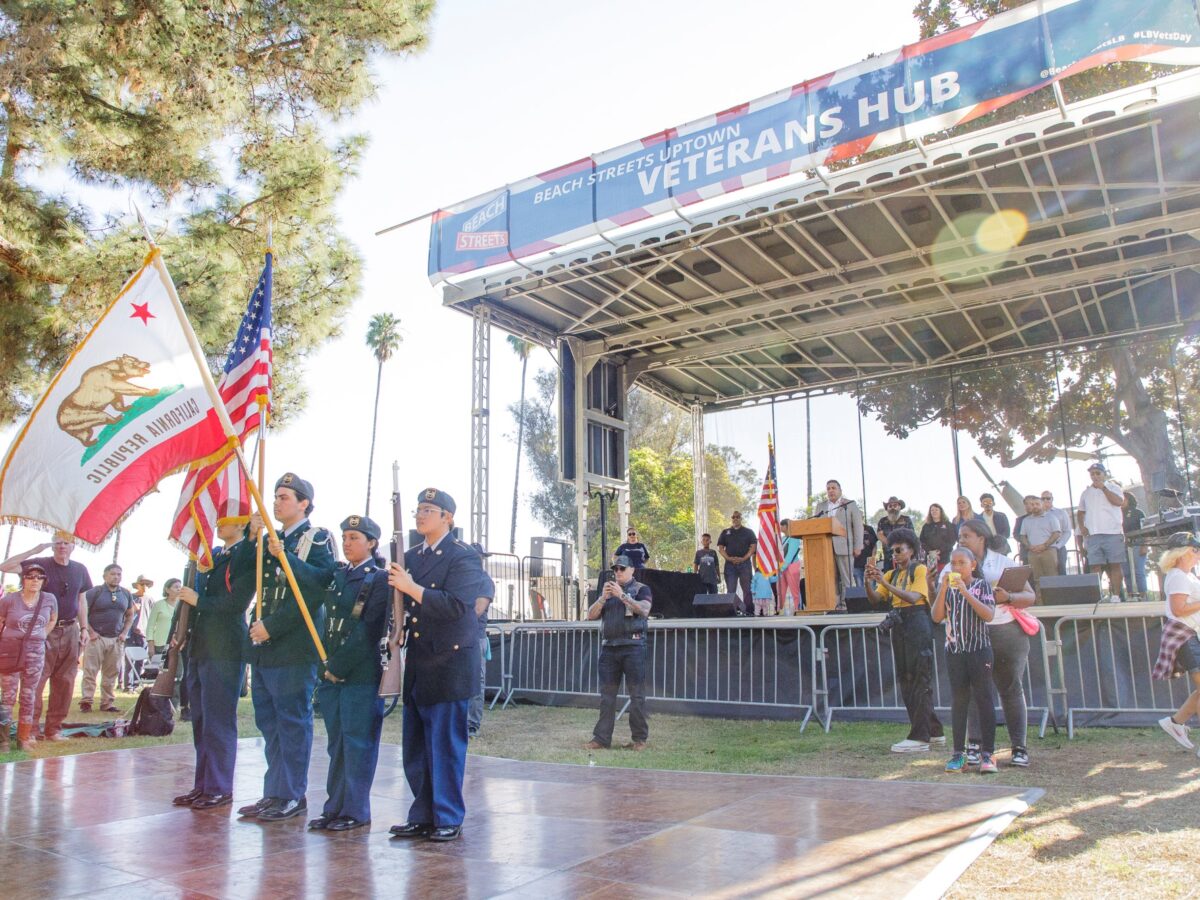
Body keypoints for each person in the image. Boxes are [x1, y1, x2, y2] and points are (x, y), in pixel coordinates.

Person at [232, 472, 337, 823]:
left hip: (293, 644)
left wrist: (272, 627)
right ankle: (274, 791)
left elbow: (318, 587)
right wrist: (252, 536)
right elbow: (246, 576)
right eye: (275, 497)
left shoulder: (317, 538)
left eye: (284, 497)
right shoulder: (269, 539)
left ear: (304, 503)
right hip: (264, 646)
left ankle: (292, 793)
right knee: (269, 722)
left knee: (292, 722)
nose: (276, 503)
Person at [387, 488, 488, 843]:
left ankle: (447, 815)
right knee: (416, 746)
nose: (420, 515)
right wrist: (396, 626)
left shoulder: (462, 557)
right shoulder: (411, 555)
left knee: (445, 746)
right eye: (418, 510)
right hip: (419, 660)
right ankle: (422, 814)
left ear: (448, 517)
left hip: (449, 661)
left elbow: (457, 607)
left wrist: (411, 587)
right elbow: (404, 605)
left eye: (429, 510)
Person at [307, 515, 391, 832]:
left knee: (358, 744)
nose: (347, 543)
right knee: (337, 744)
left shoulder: (379, 579)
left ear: (371, 543)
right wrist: (324, 666)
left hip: (359, 675)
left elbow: (368, 631)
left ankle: (355, 810)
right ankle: (335, 806)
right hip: (331, 674)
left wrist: (337, 667)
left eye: (354, 537)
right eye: (344, 537)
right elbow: (323, 624)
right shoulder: (337, 576)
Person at [172, 516, 255, 810]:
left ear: (242, 524)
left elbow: (235, 604)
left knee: (218, 722)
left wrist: (199, 601)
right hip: (200, 646)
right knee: (201, 721)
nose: (219, 524)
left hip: (225, 648)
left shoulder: (246, 554)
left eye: (227, 519)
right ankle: (203, 784)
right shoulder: (213, 556)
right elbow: (190, 601)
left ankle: (220, 787)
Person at [955, 520, 1037, 769]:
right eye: (960, 536)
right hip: (972, 633)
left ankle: (1019, 748)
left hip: (1005, 630)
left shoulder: (1003, 562)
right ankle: (975, 745)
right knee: (974, 690)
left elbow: (1030, 596)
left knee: (1011, 687)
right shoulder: (955, 564)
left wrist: (1008, 597)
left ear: (982, 537)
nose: (961, 540)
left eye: (966, 535)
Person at [0, 531, 93, 740]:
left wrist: (85, 628)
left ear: (73, 546)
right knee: (36, 680)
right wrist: (35, 549)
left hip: (70, 629)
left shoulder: (80, 569)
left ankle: (54, 728)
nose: (62, 546)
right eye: (58, 543)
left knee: (66, 681)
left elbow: (82, 600)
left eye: (66, 543)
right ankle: (31, 729)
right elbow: (4, 566)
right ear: (51, 546)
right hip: (42, 631)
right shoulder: (39, 565)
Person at [863, 528, 943, 752]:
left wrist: (884, 583)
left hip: (917, 621)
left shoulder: (919, 570)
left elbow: (914, 597)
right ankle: (934, 730)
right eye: (892, 551)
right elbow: (876, 599)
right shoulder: (891, 574)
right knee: (907, 678)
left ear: (911, 549)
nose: (895, 555)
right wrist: (868, 582)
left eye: (899, 550)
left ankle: (920, 736)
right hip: (900, 624)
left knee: (919, 679)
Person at [932, 548, 998, 774]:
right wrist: (942, 589)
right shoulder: (947, 589)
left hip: (979, 650)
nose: (956, 567)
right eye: (953, 563)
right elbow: (937, 616)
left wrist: (966, 592)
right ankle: (958, 753)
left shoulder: (981, 585)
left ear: (972, 565)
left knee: (984, 699)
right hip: (954, 650)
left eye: (961, 562)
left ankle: (988, 753)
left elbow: (988, 615)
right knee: (959, 700)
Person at [584, 552, 652, 751]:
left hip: (633, 647)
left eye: (622, 568)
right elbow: (591, 616)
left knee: (636, 695)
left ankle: (639, 739)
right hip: (610, 648)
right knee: (607, 696)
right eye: (615, 569)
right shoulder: (607, 591)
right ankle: (601, 739)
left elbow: (644, 610)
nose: (618, 572)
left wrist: (622, 596)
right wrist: (603, 598)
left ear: (632, 570)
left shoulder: (641, 588)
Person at [0, 562, 57, 751]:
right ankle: (3, 740)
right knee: (8, 696)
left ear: (44, 580)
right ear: (22, 579)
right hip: (10, 650)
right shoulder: (10, 599)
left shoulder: (49, 599)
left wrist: (40, 635)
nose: (35, 580)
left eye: (39, 577)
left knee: (29, 694)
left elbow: (52, 619)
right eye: (30, 576)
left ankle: (23, 738)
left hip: (35, 651)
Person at [1151, 532, 1200, 751]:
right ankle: (1175, 723)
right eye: (1195, 549)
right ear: (1185, 552)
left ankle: (1175, 722)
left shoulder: (1186, 575)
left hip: (1189, 635)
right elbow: (1178, 609)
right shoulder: (1178, 576)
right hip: (1185, 636)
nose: (1198, 554)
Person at [80, 564, 135, 713]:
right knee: (90, 671)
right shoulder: (94, 592)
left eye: (119, 574)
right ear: (105, 576)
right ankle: (86, 701)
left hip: (116, 639)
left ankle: (107, 703)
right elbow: (82, 612)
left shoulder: (125, 594)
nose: (116, 577)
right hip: (96, 638)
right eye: (112, 574)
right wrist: (90, 632)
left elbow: (130, 614)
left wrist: (124, 633)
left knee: (112, 672)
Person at [1077, 463, 1127, 600]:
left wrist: (1103, 488)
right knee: (1094, 566)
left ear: (1104, 474)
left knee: (1115, 564)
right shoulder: (1086, 493)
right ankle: (1097, 596)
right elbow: (1080, 512)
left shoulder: (1114, 487)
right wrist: (1082, 527)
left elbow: (1118, 502)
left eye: (1098, 473)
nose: (1095, 476)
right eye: (1092, 474)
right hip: (1093, 534)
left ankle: (1116, 595)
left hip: (1113, 532)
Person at [814, 480, 863, 606]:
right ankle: (834, 604)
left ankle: (847, 604)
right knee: (830, 578)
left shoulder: (850, 504)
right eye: (828, 488)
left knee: (846, 578)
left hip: (844, 546)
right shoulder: (821, 506)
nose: (831, 491)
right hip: (826, 548)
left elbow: (857, 526)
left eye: (833, 488)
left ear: (840, 490)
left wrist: (858, 546)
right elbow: (815, 525)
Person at [1014, 496, 1060, 596]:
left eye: (1037, 504)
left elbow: (1056, 533)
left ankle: (1054, 600)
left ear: (1042, 505)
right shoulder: (1026, 520)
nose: (1034, 506)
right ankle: (1040, 602)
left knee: (1051, 577)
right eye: (1032, 504)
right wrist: (1029, 546)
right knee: (1037, 579)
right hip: (1033, 552)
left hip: (1049, 551)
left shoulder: (1051, 517)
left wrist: (1045, 545)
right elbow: (1022, 536)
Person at [717, 511, 756, 614]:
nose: (735, 519)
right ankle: (731, 612)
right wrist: (729, 558)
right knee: (730, 590)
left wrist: (744, 558)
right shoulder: (725, 532)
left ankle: (749, 611)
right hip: (730, 565)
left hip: (745, 564)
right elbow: (720, 548)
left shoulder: (749, 532)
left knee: (747, 590)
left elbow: (753, 548)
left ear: (741, 518)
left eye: (737, 517)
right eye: (733, 517)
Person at [1122, 492, 1149, 597]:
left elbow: (1146, 530)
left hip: (1137, 544)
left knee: (1139, 572)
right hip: (1123, 546)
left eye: (1123, 498)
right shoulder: (1116, 513)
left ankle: (1143, 596)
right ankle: (1131, 595)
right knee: (1127, 573)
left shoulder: (1138, 512)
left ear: (1128, 499)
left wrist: (1145, 545)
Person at [146, 578, 181, 659]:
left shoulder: (183, 606)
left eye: (180, 587)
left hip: (177, 644)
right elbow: (150, 626)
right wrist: (150, 645)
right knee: (159, 670)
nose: (179, 589)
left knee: (176, 671)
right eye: (176, 587)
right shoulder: (159, 604)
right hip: (160, 645)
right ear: (167, 590)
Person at [1040, 490, 1073, 575]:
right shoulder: (1037, 515)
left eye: (1048, 498)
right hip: (1042, 547)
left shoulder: (1061, 513)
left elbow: (1067, 531)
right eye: (1043, 499)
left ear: (1052, 499)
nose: (1046, 500)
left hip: (1059, 547)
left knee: (1061, 568)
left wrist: (1059, 545)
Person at [876, 497, 913, 571]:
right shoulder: (882, 521)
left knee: (905, 578)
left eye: (895, 505)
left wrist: (899, 545)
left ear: (899, 507)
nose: (892, 507)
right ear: (887, 508)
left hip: (904, 556)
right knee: (889, 578)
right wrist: (890, 543)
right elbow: (879, 535)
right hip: (888, 556)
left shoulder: (907, 520)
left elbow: (911, 534)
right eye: (890, 506)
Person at [920, 503, 956, 578]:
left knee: (945, 578)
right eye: (932, 510)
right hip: (931, 557)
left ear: (941, 511)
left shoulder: (948, 524)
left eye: (936, 510)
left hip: (945, 557)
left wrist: (940, 551)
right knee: (931, 578)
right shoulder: (926, 526)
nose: (934, 511)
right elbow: (922, 541)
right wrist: (931, 552)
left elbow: (952, 541)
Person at [777, 523, 803, 613]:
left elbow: (790, 555)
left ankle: (798, 609)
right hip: (782, 567)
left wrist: (782, 567)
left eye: (782, 525)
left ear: (787, 526)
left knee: (794, 589)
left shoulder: (795, 538)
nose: (780, 527)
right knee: (781, 590)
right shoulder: (783, 538)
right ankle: (779, 609)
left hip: (792, 566)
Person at [853, 522, 878, 588]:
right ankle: (861, 598)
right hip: (856, 563)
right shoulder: (851, 529)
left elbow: (874, 545)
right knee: (859, 587)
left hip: (869, 562)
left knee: (872, 585)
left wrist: (873, 557)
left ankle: (872, 598)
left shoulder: (869, 529)